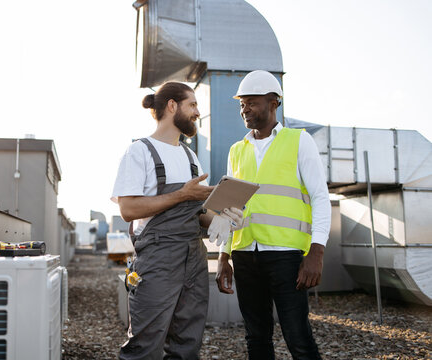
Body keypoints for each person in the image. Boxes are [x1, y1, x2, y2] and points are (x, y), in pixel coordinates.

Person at [111, 81, 242, 360]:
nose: (197, 112)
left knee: (187, 344)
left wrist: (220, 219)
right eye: (192, 105)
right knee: (144, 346)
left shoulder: (190, 156)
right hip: (158, 258)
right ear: (172, 106)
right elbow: (128, 209)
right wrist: (182, 195)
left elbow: (198, 210)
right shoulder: (140, 151)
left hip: (193, 256)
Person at [216, 70, 331, 360]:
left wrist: (316, 253)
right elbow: (229, 207)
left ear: (273, 102)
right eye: (242, 103)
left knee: (298, 337)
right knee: (256, 338)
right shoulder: (236, 151)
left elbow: (320, 197)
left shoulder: (299, 141)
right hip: (245, 256)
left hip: (286, 256)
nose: (245, 108)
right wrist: (224, 256)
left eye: (251, 102)